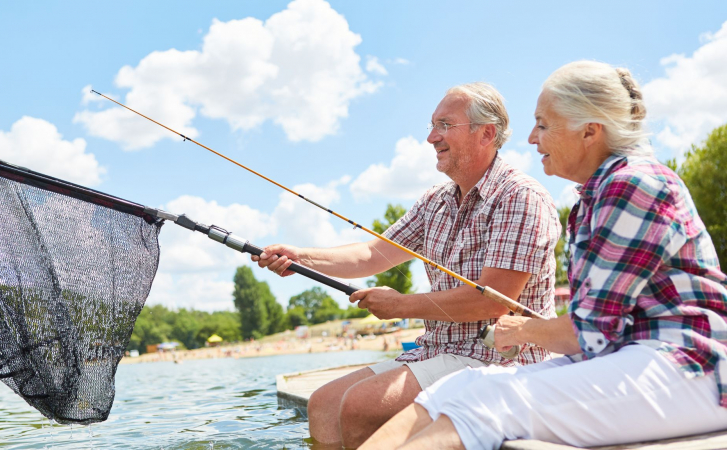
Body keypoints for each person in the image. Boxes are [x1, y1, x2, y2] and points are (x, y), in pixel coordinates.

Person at [360, 61, 727, 450]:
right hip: (641, 356)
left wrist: (523, 331)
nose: (532, 138)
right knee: (455, 389)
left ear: (590, 130)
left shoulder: (631, 184)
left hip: (693, 366)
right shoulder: (597, 193)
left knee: (487, 402)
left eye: (544, 124)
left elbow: (591, 331)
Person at [253, 82, 561, 448]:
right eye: (432, 125)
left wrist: (400, 305)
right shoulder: (435, 200)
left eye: (445, 125)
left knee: (359, 406)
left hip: (502, 360)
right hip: (439, 350)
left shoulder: (520, 196)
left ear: (486, 134)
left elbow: (493, 301)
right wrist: (300, 256)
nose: (432, 137)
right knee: (323, 402)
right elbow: (372, 254)